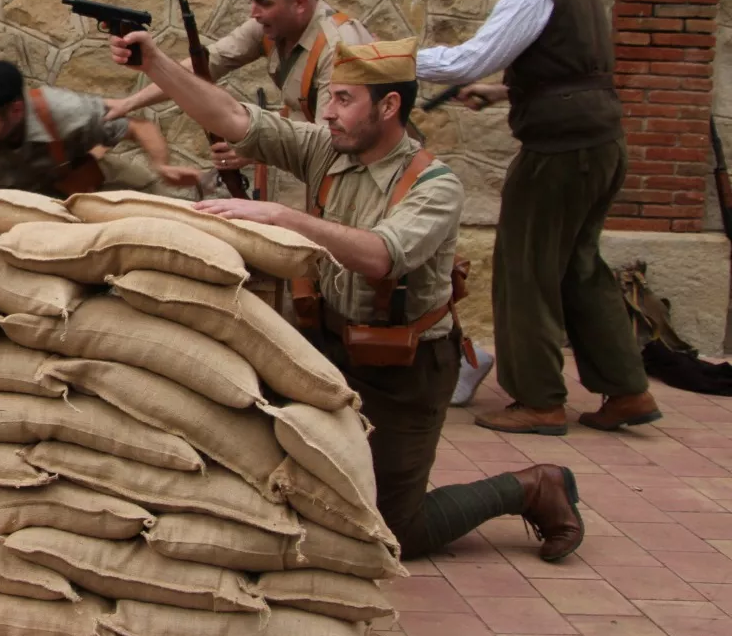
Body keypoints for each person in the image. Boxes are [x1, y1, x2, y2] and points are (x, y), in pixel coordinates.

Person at [106, 29, 584, 563]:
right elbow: (233, 118)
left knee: (398, 531)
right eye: (329, 96)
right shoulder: (325, 149)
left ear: (389, 106)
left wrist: (285, 218)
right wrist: (157, 65)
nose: (327, 112)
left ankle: (534, 486)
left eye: (343, 99)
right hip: (327, 350)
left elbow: (382, 254)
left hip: (403, 370)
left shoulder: (435, 185)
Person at [415, 0, 656, 436]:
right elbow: (573, 69)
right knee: (580, 268)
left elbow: (473, 58)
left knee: (524, 270)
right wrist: (508, 93)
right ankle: (628, 391)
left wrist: (392, 57)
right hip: (599, 144)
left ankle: (540, 400)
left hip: (560, 152)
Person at [107, 0, 373, 179]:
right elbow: (203, 67)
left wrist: (254, 149)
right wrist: (128, 103)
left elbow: (332, 137)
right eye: (252, 2)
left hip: (359, 171)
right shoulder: (269, 26)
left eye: (264, 3)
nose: (254, 13)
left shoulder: (338, 46)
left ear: (300, 3)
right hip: (313, 162)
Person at [0, 60, 204, 198]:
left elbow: (138, 126)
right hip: (25, 201)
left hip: (88, 182)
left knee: (163, 207)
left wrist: (161, 166)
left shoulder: (66, 112)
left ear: (16, 110)